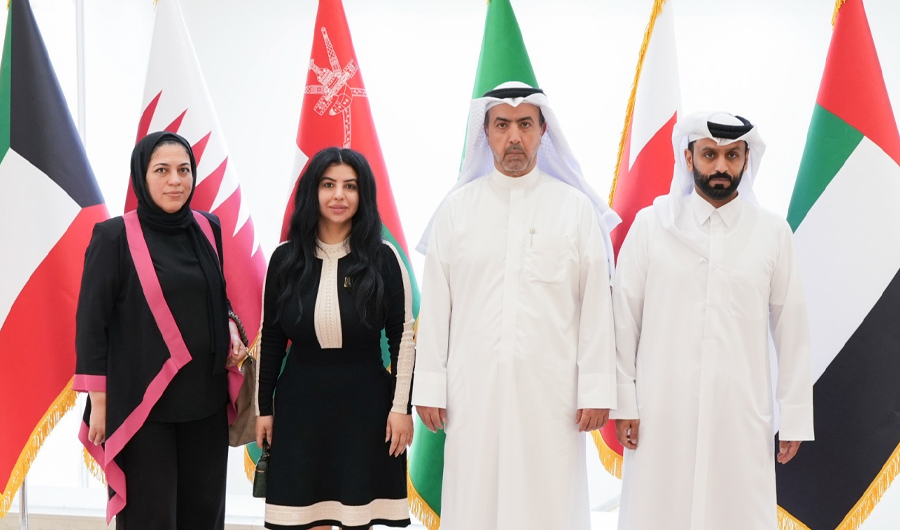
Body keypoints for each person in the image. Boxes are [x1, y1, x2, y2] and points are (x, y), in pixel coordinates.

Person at [412, 82, 620, 530]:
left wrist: (596, 389)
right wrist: (429, 386)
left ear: (543, 130)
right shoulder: (456, 211)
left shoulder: (574, 209)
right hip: (473, 393)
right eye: (502, 125)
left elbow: (596, 308)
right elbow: (438, 306)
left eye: (525, 124)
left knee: (548, 502)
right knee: (475, 500)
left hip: (552, 396)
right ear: (485, 132)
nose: (514, 137)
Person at [611, 111, 814, 529]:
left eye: (732, 155)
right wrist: (624, 401)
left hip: (739, 414)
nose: (721, 166)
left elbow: (792, 328)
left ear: (746, 160)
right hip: (662, 411)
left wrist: (794, 414)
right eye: (709, 155)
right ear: (688, 159)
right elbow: (623, 319)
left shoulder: (772, 234)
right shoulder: (652, 226)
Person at [74, 131, 248, 529]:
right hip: (143, 405)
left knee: (204, 515)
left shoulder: (208, 227)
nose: (175, 180)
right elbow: (92, 323)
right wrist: (100, 404)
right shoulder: (113, 236)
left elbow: (213, 292)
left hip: (205, 400)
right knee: (149, 518)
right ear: (142, 175)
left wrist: (229, 323)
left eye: (184, 170)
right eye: (162, 170)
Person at [255, 147, 415, 530]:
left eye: (350, 186)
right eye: (328, 185)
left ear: (363, 195)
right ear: (313, 191)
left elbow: (403, 339)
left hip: (366, 409)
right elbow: (272, 339)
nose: (339, 195)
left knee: (356, 517)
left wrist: (401, 409)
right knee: (305, 518)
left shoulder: (384, 258)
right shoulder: (284, 259)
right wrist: (263, 409)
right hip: (299, 409)